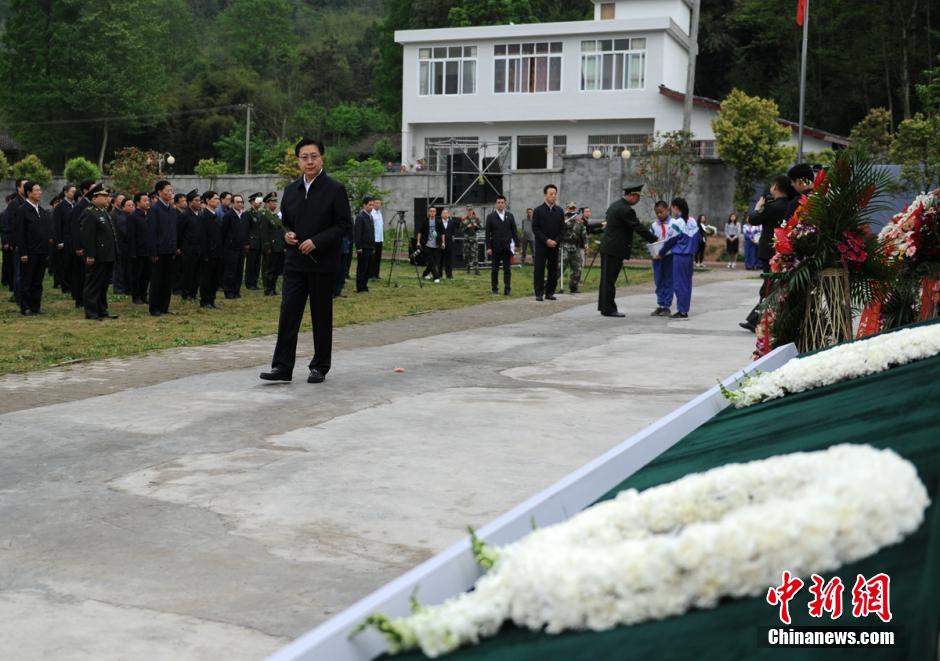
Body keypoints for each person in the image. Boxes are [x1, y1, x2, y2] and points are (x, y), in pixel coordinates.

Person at [260, 138, 352, 384]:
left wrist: (317, 241)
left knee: (321, 316)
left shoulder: (335, 189)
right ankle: (282, 367)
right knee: (288, 313)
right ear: (298, 160)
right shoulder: (291, 190)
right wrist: (287, 234)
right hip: (294, 263)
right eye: (304, 157)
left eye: (314, 156)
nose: (309, 161)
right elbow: (285, 222)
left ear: (322, 157)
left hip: (322, 263)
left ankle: (319, 366)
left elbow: (344, 225)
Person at [597, 184, 656, 317]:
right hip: (615, 249)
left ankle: (604, 307)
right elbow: (638, 227)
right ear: (631, 195)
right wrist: (655, 239)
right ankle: (609, 309)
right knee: (610, 280)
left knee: (606, 279)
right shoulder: (626, 210)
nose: (638, 200)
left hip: (608, 247)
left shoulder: (614, 205)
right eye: (637, 197)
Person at [740, 174, 790, 331]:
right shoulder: (792, 204)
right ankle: (755, 319)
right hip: (785, 250)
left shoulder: (771, 207)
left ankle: (759, 320)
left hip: (769, 251)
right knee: (772, 285)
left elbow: (753, 220)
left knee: (768, 287)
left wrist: (758, 207)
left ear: (775, 187)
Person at [80, 185, 119, 321]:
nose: (107, 199)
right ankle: (91, 312)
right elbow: (88, 236)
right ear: (94, 198)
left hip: (106, 254)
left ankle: (102, 309)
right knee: (93, 284)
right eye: (104, 196)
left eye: (107, 196)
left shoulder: (103, 212)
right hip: (97, 255)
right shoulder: (89, 213)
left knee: (103, 285)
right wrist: (90, 254)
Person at [13, 181, 51, 315]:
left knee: (37, 281)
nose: (40, 193)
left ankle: (36, 306)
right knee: (27, 281)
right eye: (37, 190)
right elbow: (19, 233)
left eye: (40, 190)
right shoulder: (22, 210)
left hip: (41, 251)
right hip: (29, 252)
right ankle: (26, 307)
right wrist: (23, 252)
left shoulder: (41, 210)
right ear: (29, 193)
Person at [659, 197, 700, 320]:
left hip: (679, 256)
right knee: (687, 283)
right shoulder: (692, 221)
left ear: (676, 207)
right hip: (689, 256)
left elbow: (670, 241)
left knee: (679, 283)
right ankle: (684, 309)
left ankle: (682, 311)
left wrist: (661, 252)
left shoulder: (677, 223)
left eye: (672, 208)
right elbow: (698, 239)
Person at [148, 180, 178, 316]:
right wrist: (153, 252)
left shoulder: (171, 209)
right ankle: (154, 307)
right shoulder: (154, 209)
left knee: (167, 280)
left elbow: (173, 230)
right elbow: (151, 232)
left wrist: (174, 247)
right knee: (157, 280)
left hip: (170, 250)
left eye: (171, 190)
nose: (170, 193)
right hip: (159, 251)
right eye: (168, 190)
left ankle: (164, 306)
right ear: (160, 192)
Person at [532, 184, 564, 301]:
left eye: (555, 194)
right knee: (539, 269)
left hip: (554, 245)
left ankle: (550, 292)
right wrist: (546, 240)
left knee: (553, 269)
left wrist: (556, 240)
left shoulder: (559, 211)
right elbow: (535, 229)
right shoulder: (538, 211)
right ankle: (539, 293)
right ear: (545, 195)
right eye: (551, 194)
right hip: (542, 245)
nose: (553, 196)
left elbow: (562, 229)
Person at [484, 195, 517, 295]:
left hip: (507, 247)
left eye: (502, 202)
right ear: (496, 204)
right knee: (495, 269)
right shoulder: (490, 217)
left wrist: (516, 244)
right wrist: (488, 247)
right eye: (498, 202)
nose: (500, 204)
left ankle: (507, 289)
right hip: (495, 248)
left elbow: (514, 231)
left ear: (505, 204)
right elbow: (487, 234)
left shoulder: (510, 216)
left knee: (507, 269)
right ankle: (494, 289)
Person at [649, 200, 677, 316]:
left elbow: (677, 239)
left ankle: (666, 305)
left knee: (668, 280)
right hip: (657, 257)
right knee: (658, 280)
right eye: (657, 213)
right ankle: (660, 304)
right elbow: (650, 240)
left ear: (667, 210)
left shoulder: (674, 224)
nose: (659, 215)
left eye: (661, 212)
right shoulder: (654, 226)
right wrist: (651, 250)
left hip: (670, 256)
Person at [221, 194, 249, 299]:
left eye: (241, 202)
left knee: (239, 271)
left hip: (241, 248)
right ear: (232, 203)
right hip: (231, 248)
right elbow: (223, 232)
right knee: (230, 271)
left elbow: (246, 230)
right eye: (237, 202)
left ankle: (236, 291)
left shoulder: (244, 215)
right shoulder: (228, 215)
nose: (240, 204)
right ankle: (229, 291)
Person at [198, 191, 222, 309]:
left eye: (218, 199)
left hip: (216, 252)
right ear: (207, 200)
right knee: (206, 277)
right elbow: (202, 237)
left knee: (214, 278)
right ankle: (205, 300)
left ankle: (212, 299)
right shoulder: (204, 216)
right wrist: (204, 254)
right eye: (215, 198)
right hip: (208, 253)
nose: (217, 201)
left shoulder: (215, 215)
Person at [177, 189, 203, 301]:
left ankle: (193, 293)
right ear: (190, 202)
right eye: (196, 200)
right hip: (188, 248)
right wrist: (178, 247)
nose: (199, 203)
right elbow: (179, 232)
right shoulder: (185, 215)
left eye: (200, 200)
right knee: (188, 272)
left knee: (197, 272)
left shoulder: (200, 214)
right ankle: (186, 293)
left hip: (198, 248)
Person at [125, 192, 151, 305]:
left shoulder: (149, 215)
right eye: (144, 200)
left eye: (148, 200)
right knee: (136, 275)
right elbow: (130, 236)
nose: (147, 202)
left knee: (146, 275)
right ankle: (136, 296)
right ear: (137, 203)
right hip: (137, 251)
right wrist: (132, 252)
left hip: (148, 251)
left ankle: (144, 295)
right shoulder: (133, 216)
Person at [52, 184, 77, 295]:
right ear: (66, 193)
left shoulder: (76, 205)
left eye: (75, 191)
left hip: (74, 240)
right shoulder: (60, 207)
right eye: (72, 191)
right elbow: (57, 226)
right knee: (65, 264)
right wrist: (59, 241)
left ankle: (73, 285)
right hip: (65, 240)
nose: (74, 193)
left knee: (74, 264)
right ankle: (65, 286)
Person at [259, 192, 285, 296]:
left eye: (276, 202)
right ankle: (268, 289)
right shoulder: (265, 215)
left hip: (277, 247)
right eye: (273, 202)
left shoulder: (274, 216)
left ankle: (272, 288)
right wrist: (267, 247)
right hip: (270, 247)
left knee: (275, 269)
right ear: (267, 203)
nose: (275, 203)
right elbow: (264, 232)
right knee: (269, 269)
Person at [560, 202, 587, 294]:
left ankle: (574, 287)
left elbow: (583, 233)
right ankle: (549, 286)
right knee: (559, 268)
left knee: (577, 268)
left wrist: (586, 243)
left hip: (575, 247)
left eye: (573, 208)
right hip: (564, 247)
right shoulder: (562, 220)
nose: (572, 210)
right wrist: (566, 219)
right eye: (570, 208)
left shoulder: (579, 221)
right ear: (567, 208)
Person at [353, 196, 375, 293]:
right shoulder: (360, 217)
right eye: (370, 205)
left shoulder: (370, 217)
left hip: (370, 246)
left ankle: (365, 285)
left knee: (368, 268)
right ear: (364, 205)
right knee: (362, 267)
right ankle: (360, 287)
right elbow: (358, 233)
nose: (372, 207)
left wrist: (373, 246)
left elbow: (372, 232)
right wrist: (358, 247)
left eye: (372, 205)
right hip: (363, 247)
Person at [417, 205, 443, 283]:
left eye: (433, 211)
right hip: (427, 245)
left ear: (436, 212)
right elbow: (420, 232)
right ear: (429, 212)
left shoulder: (438, 221)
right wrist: (418, 242)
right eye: (431, 211)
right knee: (431, 261)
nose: (432, 213)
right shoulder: (425, 221)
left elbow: (442, 233)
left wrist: (443, 242)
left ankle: (425, 274)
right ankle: (436, 277)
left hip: (436, 245)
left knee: (434, 262)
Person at [245, 193, 263, 290]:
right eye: (258, 201)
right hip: (251, 243)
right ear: (252, 202)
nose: (260, 203)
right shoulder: (248, 213)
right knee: (250, 264)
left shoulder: (259, 213)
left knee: (257, 264)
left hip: (259, 243)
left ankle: (254, 282)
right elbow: (246, 229)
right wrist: (247, 243)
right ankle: (249, 283)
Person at [460, 205, 481, 275]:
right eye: (468, 210)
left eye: (471, 210)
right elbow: (461, 230)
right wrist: (466, 227)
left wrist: (476, 226)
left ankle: (476, 269)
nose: (470, 211)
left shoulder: (476, 219)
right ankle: (468, 268)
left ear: (472, 210)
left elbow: (480, 227)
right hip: (466, 239)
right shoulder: (464, 219)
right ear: (467, 210)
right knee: (467, 254)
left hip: (474, 238)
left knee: (475, 254)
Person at [439, 207, 457, 279]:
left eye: (446, 213)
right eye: (444, 213)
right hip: (440, 243)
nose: (445, 214)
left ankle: (449, 275)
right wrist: (438, 239)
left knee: (449, 260)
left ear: (448, 214)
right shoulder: (438, 222)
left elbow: (453, 233)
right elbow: (435, 232)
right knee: (440, 259)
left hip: (449, 243)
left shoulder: (452, 222)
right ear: (441, 214)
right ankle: (439, 275)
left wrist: (452, 241)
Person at [370, 197, 384, 280]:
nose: (378, 205)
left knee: (378, 257)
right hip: (374, 239)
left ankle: (376, 274)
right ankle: (371, 274)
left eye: (379, 203)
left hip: (380, 239)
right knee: (373, 258)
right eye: (376, 203)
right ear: (373, 204)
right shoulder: (371, 214)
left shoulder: (380, 213)